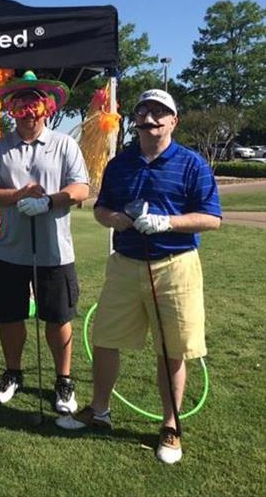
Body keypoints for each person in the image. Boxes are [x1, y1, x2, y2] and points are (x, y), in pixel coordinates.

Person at [56, 89, 222, 465]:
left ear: (173, 121)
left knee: (172, 349)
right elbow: (101, 209)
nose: (151, 118)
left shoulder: (192, 164)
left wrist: (168, 222)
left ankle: (170, 426)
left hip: (176, 265)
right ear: (136, 120)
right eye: (144, 111)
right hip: (126, 262)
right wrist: (112, 218)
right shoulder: (120, 163)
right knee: (105, 339)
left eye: (160, 112)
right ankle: (99, 411)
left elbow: (212, 218)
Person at [0, 71, 89, 414]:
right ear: (11, 109)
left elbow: (82, 188)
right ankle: (13, 373)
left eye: (34, 104)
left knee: (57, 317)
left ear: (47, 108)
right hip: (10, 249)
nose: (27, 112)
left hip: (55, 251)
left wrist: (50, 201)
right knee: (10, 317)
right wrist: (16, 195)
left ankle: (63, 380)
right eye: (20, 105)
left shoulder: (65, 144)